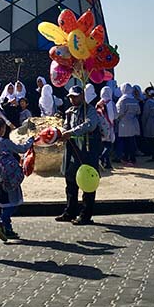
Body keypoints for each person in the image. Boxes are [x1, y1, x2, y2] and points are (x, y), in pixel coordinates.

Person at [56, 84, 101, 225]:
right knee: (70, 182)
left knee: (87, 182)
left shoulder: (90, 110)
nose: (73, 100)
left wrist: (72, 132)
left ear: (82, 96)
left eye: (75, 97)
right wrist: (62, 132)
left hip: (87, 151)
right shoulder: (69, 111)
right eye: (71, 97)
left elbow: (90, 125)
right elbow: (65, 126)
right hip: (72, 151)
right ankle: (70, 211)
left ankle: (85, 215)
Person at [0, 118, 34, 242]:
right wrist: (31, 140)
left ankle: (8, 229)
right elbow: (22, 148)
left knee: (5, 203)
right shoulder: (4, 142)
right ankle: (1, 222)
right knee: (13, 203)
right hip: (10, 176)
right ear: (2, 128)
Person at [116, 83, 140, 165]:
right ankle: (133, 158)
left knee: (125, 142)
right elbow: (138, 111)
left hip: (124, 123)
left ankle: (126, 158)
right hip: (133, 122)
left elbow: (119, 112)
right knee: (132, 141)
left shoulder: (122, 100)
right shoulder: (134, 100)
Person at [96, 86, 116, 169]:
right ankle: (102, 157)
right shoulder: (110, 103)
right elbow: (113, 115)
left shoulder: (98, 103)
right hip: (108, 125)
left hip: (101, 126)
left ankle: (107, 163)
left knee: (103, 144)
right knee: (109, 145)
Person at [142, 87, 154, 162]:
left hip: (149, 122)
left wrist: (143, 124)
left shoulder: (148, 103)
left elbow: (145, 115)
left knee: (151, 140)